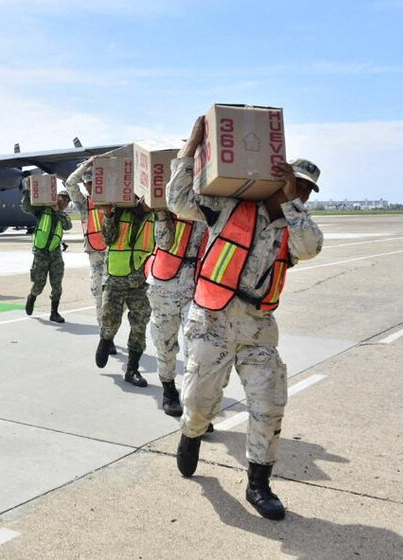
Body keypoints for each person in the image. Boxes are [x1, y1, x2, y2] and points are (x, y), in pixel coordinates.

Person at [170, 115, 324, 521]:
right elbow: (178, 200)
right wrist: (191, 146)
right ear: (277, 179)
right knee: (200, 403)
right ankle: (191, 433)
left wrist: (292, 202)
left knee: (270, 404)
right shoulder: (229, 207)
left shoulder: (296, 226)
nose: (302, 195)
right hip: (212, 322)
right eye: (297, 185)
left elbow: (312, 248)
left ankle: (259, 484)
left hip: (258, 331)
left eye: (307, 191)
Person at [147, 208, 208, 417]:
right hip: (165, 284)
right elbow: (163, 242)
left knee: (197, 349)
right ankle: (169, 390)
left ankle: (193, 410)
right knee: (165, 343)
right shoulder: (173, 198)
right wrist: (161, 213)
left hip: (197, 285)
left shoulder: (214, 198)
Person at [94, 196, 157, 388]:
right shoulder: (120, 213)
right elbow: (107, 238)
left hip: (141, 281)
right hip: (116, 276)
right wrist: (108, 215)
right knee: (110, 318)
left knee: (139, 326)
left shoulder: (157, 217)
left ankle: (132, 370)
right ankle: (106, 339)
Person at [66, 158, 110, 342]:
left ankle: (110, 329)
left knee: (114, 297)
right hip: (95, 254)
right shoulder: (84, 204)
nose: (91, 187)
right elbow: (69, 183)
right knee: (98, 293)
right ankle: (105, 334)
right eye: (88, 183)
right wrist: (86, 166)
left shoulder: (112, 200)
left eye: (94, 182)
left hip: (114, 255)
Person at [20, 188, 72, 323]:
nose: (66, 201)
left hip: (55, 253)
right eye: (63, 198)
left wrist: (58, 211)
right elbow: (25, 207)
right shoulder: (42, 210)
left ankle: (54, 313)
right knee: (39, 284)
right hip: (41, 253)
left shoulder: (63, 215)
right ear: (57, 197)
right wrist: (26, 192)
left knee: (57, 284)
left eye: (68, 200)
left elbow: (68, 226)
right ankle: (32, 296)